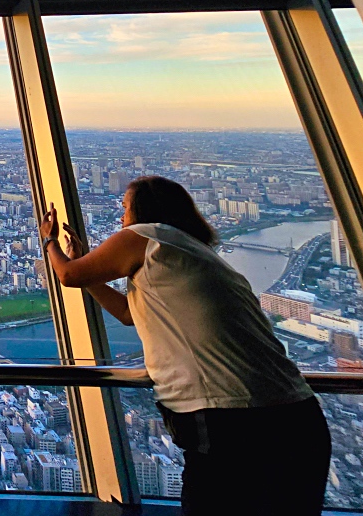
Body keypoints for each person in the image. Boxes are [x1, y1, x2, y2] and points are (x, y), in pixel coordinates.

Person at [40, 175, 330, 515]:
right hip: (296, 415)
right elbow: (126, 313)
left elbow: (68, 276)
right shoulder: (191, 251)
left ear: (145, 211)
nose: (121, 218)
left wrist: (49, 241)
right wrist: (86, 266)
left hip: (232, 421)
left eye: (125, 208)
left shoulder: (145, 236)